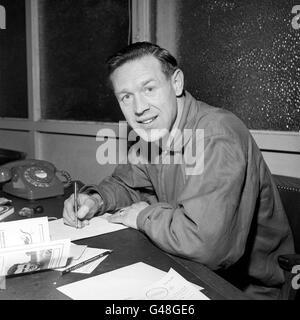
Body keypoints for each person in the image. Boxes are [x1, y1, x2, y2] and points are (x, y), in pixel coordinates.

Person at [63, 42, 294, 300]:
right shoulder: (155, 135)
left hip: (242, 290)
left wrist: (143, 216)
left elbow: (206, 245)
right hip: (184, 272)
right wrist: (96, 199)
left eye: (148, 88)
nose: (139, 109)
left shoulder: (217, 135)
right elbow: (128, 184)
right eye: (126, 97)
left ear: (176, 83)